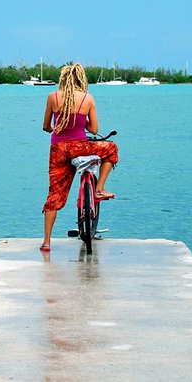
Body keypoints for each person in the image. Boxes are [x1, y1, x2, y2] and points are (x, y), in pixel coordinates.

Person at [40, 63, 118, 252]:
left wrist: (55, 129)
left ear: (63, 79)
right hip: (80, 147)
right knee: (111, 148)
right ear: (81, 79)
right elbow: (94, 130)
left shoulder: (52, 97)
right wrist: (81, 123)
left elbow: (45, 126)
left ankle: (47, 242)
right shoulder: (87, 99)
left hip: (58, 150)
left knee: (54, 195)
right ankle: (98, 189)